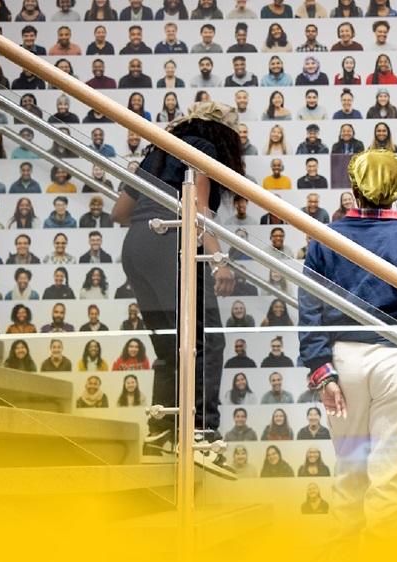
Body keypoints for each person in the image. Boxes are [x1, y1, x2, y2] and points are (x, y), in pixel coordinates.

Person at [298, 149, 397, 556]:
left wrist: (321, 372)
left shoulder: (326, 237)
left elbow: (309, 307)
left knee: (349, 475)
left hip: (343, 362)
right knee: (393, 482)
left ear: (353, 188)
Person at [111, 103, 240, 478]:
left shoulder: (157, 148)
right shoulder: (203, 145)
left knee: (171, 346)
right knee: (207, 340)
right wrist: (218, 259)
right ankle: (201, 435)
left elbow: (119, 212)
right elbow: (198, 208)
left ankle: (161, 432)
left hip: (136, 247)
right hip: (172, 242)